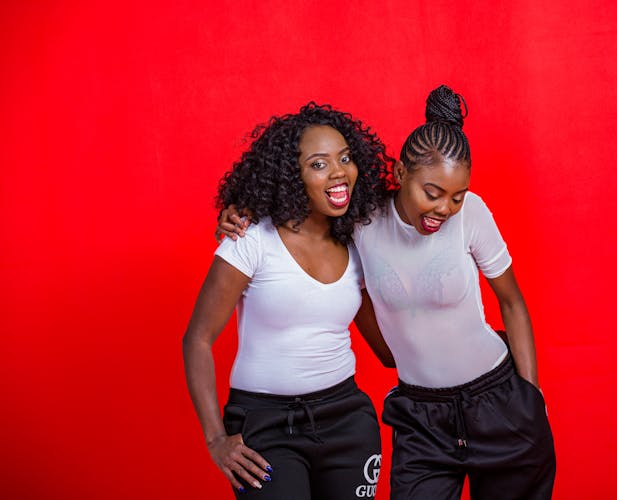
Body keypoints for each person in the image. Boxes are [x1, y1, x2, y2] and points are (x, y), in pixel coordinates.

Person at [219, 86, 555, 499]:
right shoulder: (362, 221)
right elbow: (307, 210)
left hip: (499, 401)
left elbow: (512, 302)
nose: (444, 209)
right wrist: (243, 212)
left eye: (456, 196)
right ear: (399, 175)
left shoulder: (473, 214)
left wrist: (532, 396)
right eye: (431, 193)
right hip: (421, 417)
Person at [183, 102, 395, 499]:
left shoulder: (359, 243)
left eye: (345, 158)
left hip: (347, 420)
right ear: (290, 176)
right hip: (265, 425)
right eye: (318, 164)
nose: (338, 172)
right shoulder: (250, 239)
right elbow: (197, 340)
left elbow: (389, 352)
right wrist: (215, 439)